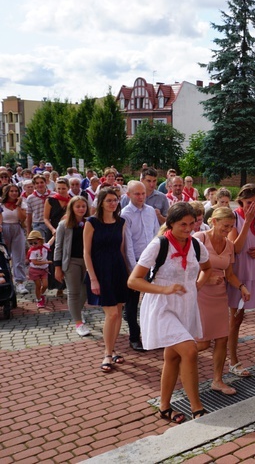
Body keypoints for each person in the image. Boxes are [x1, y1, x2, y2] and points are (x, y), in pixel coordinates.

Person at [128, 202, 210, 423]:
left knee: (172, 357)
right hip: (161, 307)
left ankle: (164, 408)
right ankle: (197, 408)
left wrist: (198, 285)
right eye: (183, 224)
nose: (188, 228)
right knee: (190, 351)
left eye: (192, 223)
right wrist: (164, 289)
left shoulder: (195, 245)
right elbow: (133, 281)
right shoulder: (158, 245)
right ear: (170, 224)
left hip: (185, 307)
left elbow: (207, 268)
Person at [194, 207, 251, 395]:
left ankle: (217, 380)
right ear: (214, 221)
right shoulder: (199, 239)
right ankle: (176, 359)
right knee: (202, 343)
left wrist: (241, 287)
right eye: (225, 226)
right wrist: (206, 278)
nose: (228, 230)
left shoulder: (228, 245)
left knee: (221, 338)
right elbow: (186, 267)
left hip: (219, 295)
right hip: (200, 294)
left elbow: (230, 274)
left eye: (231, 227)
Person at [226, 184, 255, 376]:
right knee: (237, 318)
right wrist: (246, 222)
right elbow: (236, 249)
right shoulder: (235, 218)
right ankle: (233, 360)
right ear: (241, 202)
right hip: (240, 275)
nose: (251, 207)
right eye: (248, 203)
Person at [84, 187, 129, 373]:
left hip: (118, 269)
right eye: (109, 200)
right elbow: (86, 253)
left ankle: (112, 348)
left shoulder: (121, 222)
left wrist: (129, 273)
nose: (113, 203)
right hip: (100, 271)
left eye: (116, 200)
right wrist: (93, 279)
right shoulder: (92, 222)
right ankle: (107, 353)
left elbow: (122, 250)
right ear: (101, 201)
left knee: (118, 313)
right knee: (111, 314)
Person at [121, 181, 161, 352]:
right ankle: (134, 337)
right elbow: (127, 244)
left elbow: (157, 235)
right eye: (137, 194)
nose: (141, 197)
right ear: (128, 195)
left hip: (151, 261)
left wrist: (158, 261)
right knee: (132, 302)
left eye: (143, 193)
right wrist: (133, 269)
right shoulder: (125, 214)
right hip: (136, 261)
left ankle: (155, 335)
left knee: (154, 300)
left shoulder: (151, 211)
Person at [54, 196, 91, 336]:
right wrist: (57, 266)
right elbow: (58, 247)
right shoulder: (64, 225)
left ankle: (77, 312)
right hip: (71, 261)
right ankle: (78, 323)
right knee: (74, 292)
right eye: (78, 206)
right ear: (72, 208)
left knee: (86, 290)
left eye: (83, 206)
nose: (81, 209)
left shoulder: (90, 222)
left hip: (87, 262)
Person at [44, 177, 71, 298]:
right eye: (58, 188)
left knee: (68, 256)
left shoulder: (72, 200)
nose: (61, 191)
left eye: (63, 188)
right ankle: (57, 285)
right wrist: (52, 229)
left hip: (68, 231)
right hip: (54, 231)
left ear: (68, 188)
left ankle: (67, 285)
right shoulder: (50, 200)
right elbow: (45, 218)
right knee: (55, 258)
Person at [1, 184, 28, 295]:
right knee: (4, 257)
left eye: (16, 191)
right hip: (4, 228)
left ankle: (19, 282)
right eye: (11, 191)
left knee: (19, 256)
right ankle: (6, 280)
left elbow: (23, 218)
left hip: (17, 228)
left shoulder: (21, 203)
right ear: (7, 192)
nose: (14, 193)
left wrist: (17, 205)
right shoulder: (1, 204)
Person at [26, 230, 51, 308]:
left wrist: (55, 234)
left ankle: (41, 294)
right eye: (31, 243)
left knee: (45, 285)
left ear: (40, 241)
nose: (33, 245)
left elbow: (51, 242)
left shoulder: (45, 246)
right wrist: (47, 262)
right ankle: (39, 299)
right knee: (38, 285)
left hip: (44, 270)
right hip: (34, 270)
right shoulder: (32, 251)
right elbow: (35, 262)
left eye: (35, 243)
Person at [26, 174, 50, 241]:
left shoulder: (53, 195)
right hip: (38, 223)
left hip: (51, 224)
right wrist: (28, 231)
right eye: (37, 183)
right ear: (34, 185)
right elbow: (29, 215)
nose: (40, 185)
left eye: (42, 182)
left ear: (45, 183)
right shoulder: (31, 198)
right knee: (39, 246)